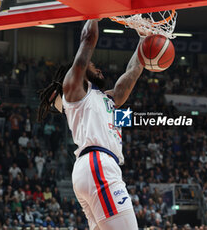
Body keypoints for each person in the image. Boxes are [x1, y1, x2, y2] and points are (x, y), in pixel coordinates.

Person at [38, 19, 144, 230]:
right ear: (81, 69)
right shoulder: (74, 89)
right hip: (97, 164)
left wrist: (144, 38)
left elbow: (131, 73)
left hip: (95, 167)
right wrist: (95, 11)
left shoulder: (105, 98)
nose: (99, 69)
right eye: (92, 65)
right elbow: (88, 39)